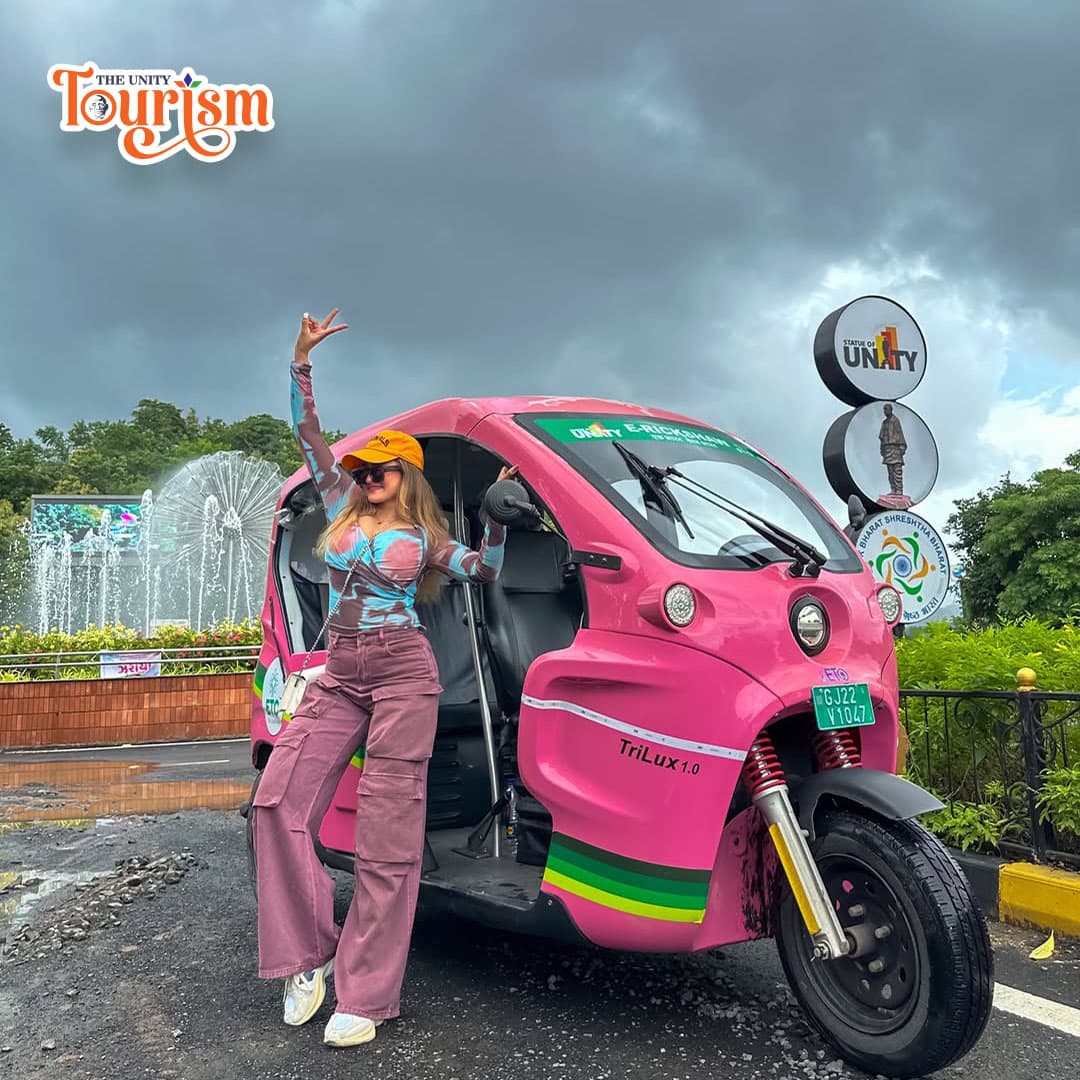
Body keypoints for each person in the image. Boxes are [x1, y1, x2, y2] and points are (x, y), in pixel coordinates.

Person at [252, 308, 518, 1048]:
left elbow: (486, 571)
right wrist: (301, 363)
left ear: (407, 475)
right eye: (363, 468)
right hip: (340, 672)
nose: (369, 477)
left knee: (388, 833)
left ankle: (366, 993)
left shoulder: (426, 537)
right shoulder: (337, 504)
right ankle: (311, 953)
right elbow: (310, 437)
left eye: (383, 468)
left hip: (404, 674)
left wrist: (498, 515)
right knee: (276, 803)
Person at [878, 403, 907, 495]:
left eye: (886, 409)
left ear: (891, 410)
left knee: (897, 470)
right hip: (887, 448)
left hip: (895, 448)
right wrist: (882, 449)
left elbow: (900, 434)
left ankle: (899, 489)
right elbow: (882, 437)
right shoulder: (884, 423)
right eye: (884, 409)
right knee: (890, 471)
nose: (885, 411)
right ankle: (893, 489)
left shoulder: (895, 421)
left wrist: (902, 446)